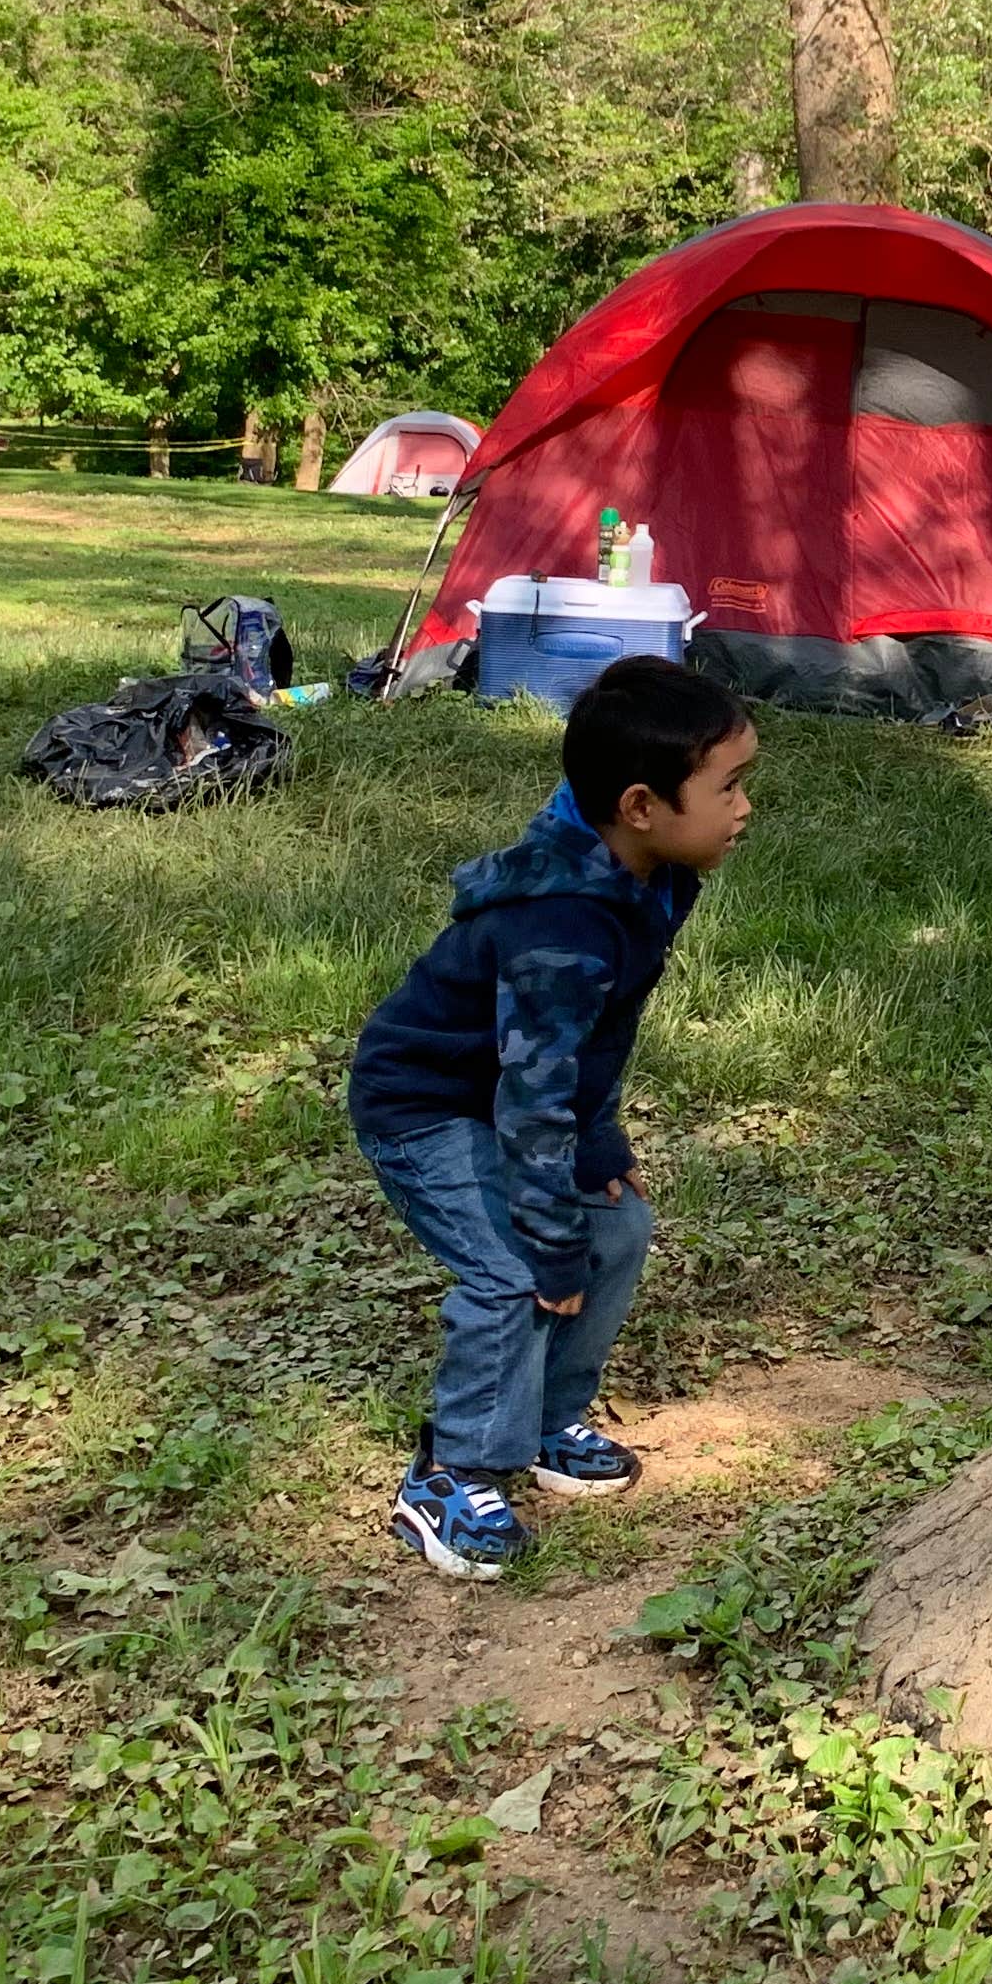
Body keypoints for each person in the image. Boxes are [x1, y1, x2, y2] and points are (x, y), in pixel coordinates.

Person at [345, 655, 758, 1577]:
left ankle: (540, 1418)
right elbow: (532, 1101)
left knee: (618, 1224)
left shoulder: (641, 869)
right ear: (643, 804)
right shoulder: (562, 926)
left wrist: (601, 1143)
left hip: (513, 1092)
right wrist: (550, 1241)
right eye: (727, 788)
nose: (743, 809)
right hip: (427, 1107)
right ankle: (449, 1473)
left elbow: (594, 1038)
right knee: (515, 1271)